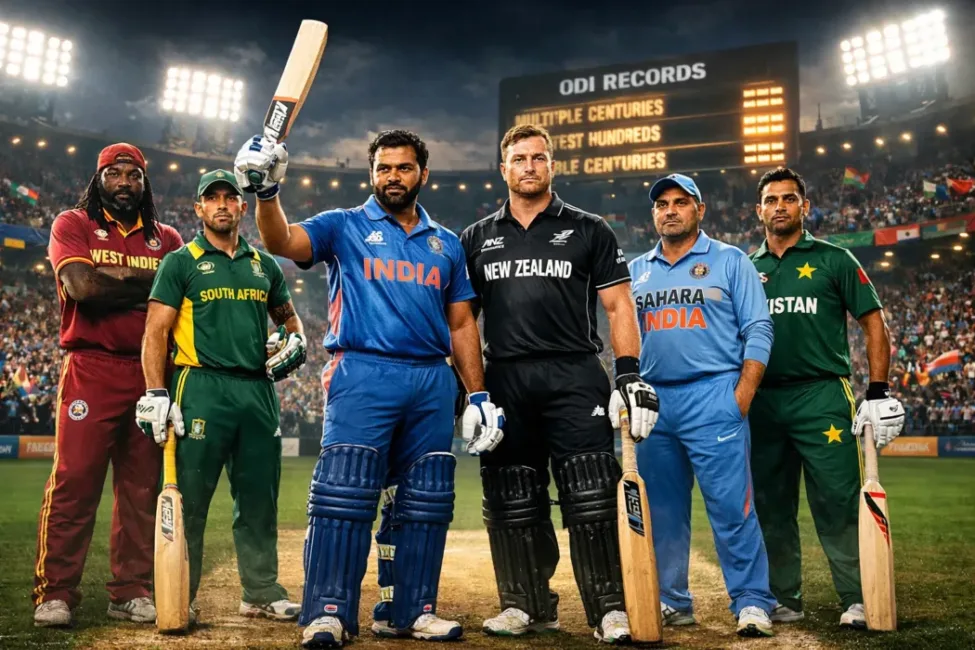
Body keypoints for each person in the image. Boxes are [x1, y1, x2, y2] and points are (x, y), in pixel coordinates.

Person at [233, 129, 503, 648]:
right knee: (344, 495)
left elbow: (463, 324)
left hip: (430, 380)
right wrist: (266, 193)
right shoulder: (344, 226)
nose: (393, 177)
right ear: (371, 173)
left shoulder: (445, 243)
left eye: (403, 168)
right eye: (383, 168)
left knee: (424, 500)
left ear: (423, 174)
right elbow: (281, 242)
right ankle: (329, 611)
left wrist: (478, 394)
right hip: (362, 372)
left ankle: (410, 609)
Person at [460, 124, 659, 644]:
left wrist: (630, 372)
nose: (529, 166)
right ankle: (524, 606)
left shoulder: (589, 229)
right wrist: (472, 392)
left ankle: (610, 609)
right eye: (519, 158)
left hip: (575, 374)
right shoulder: (476, 237)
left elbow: (618, 305)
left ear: (553, 166)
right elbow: (463, 323)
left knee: (592, 492)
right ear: (503, 169)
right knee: (512, 497)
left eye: (539, 158)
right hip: (506, 379)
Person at [136, 169, 305, 626]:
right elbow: (155, 331)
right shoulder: (181, 262)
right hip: (201, 387)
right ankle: (178, 598)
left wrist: (296, 342)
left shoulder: (264, 265)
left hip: (257, 391)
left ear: (243, 207)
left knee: (258, 500)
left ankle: (261, 592)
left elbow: (290, 323)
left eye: (231, 197)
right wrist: (156, 392)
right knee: (190, 498)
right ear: (199, 208)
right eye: (213, 198)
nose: (223, 205)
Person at [32, 143, 183, 627]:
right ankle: (55, 592)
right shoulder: (72, 224)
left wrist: (117, 279)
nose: (124, 183)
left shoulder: (170, 238)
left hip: (149, 371)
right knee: (75, 481)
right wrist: (151, 284)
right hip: (90, 368)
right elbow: (82, 289)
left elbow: (175, 300)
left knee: (140, 489)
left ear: (145, 183)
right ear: (98, 179)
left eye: (133, 175)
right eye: (114, 174)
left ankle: (130, 591)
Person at [747, 167, 905, 629]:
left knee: (838, 502)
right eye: (771, 199)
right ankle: (783, 599)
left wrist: (877, 391)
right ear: (759, 210)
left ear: (805, 207)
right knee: (770, 507)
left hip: (823, 397)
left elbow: (874, 322)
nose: (780, 206)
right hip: (762, 403)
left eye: (789, 198)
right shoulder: (744, 267)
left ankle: (858, 596)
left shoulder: (836, 259)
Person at [627, 173, 776, 637]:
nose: (669, 210)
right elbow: (625, 337)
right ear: (653, 213)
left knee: (733, 508)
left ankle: (751, 601)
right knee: (664, 514)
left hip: (715, 394)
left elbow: (759, 329)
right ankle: (673, 600)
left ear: (700, 209)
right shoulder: (636, 270)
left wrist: (742, 395)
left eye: (680, 202)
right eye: (661, 204)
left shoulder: (730, 261)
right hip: (654, 402)